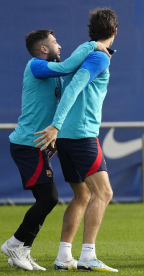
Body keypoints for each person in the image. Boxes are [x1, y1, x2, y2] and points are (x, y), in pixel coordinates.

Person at [0, 30, 109, 271]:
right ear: (43, 49)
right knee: (49, 198)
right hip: (27, 143)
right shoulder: (36, 65)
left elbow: (65, 74)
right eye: (55, 42)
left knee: (47, 199)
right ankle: (16, 243)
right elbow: (68, 67)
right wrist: (93, 45)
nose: (59, 46)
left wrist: (55, 137)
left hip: (39, 143)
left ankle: (22, 251)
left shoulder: (51, 69)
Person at [33, 8, 118, 272]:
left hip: (67, 138)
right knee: (104, 192)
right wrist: (56, 125)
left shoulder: (82, 52)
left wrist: (59, 130)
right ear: (115, 32)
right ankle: (88, 256)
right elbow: (73, 87)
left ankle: (63, 256)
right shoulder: (98, 58)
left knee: (82, 195)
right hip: (81, 135)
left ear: (91, 31)